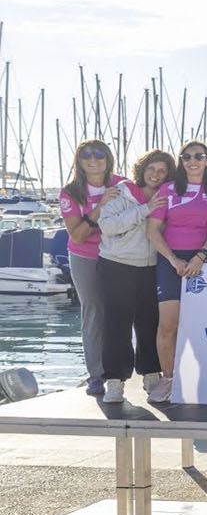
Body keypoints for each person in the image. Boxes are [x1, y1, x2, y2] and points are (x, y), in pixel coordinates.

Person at [145, 140, 207, 404]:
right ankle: (168, 379)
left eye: (199, 156)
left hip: (204, 262)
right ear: (181, 161)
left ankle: (202, 378)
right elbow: (152, 230)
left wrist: (201, 256)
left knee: (202, 326)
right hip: (171, 262)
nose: (193, 161)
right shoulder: (168, 189)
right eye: (187, 156)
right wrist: (173, 260)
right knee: (168, 326)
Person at [96, 149, 173, 404]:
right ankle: (114, 381)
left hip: (152, 266)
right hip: (117, 264)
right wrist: (145, 209)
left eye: (162, 170)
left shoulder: (169, 196)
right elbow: (108, 225)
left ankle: (151, 374)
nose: (155, 174)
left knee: (150, 324)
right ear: (142, 169)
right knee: (116, 326)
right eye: (151, 168)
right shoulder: (121, 192)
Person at [59, 139, 126, 396]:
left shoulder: (122, 184)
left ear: (108, 159)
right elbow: (77, 235)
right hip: (85, 256)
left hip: (118, 254)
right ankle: (96, 375)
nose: (93, 159)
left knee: (121, 312)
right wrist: (100, 207)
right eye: (87, 155)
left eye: (99, 154)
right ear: (79, 160)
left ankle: (120, 372)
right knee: (93, 312)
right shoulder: (70, 192)